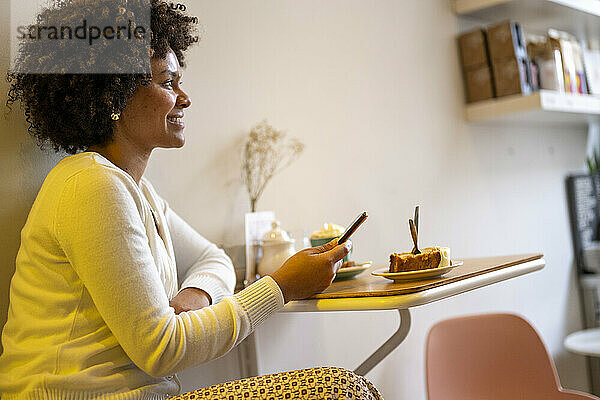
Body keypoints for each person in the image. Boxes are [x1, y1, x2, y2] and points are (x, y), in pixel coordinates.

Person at [0, 1, 383, 399]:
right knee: (340, 390)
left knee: (339, 386)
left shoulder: (137, 191)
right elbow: (162, 348)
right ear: (113, 95)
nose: (185, 98)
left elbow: (213, 258)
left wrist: (195, 293)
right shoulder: (91, 186)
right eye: (167, 82)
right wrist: (280, 287)